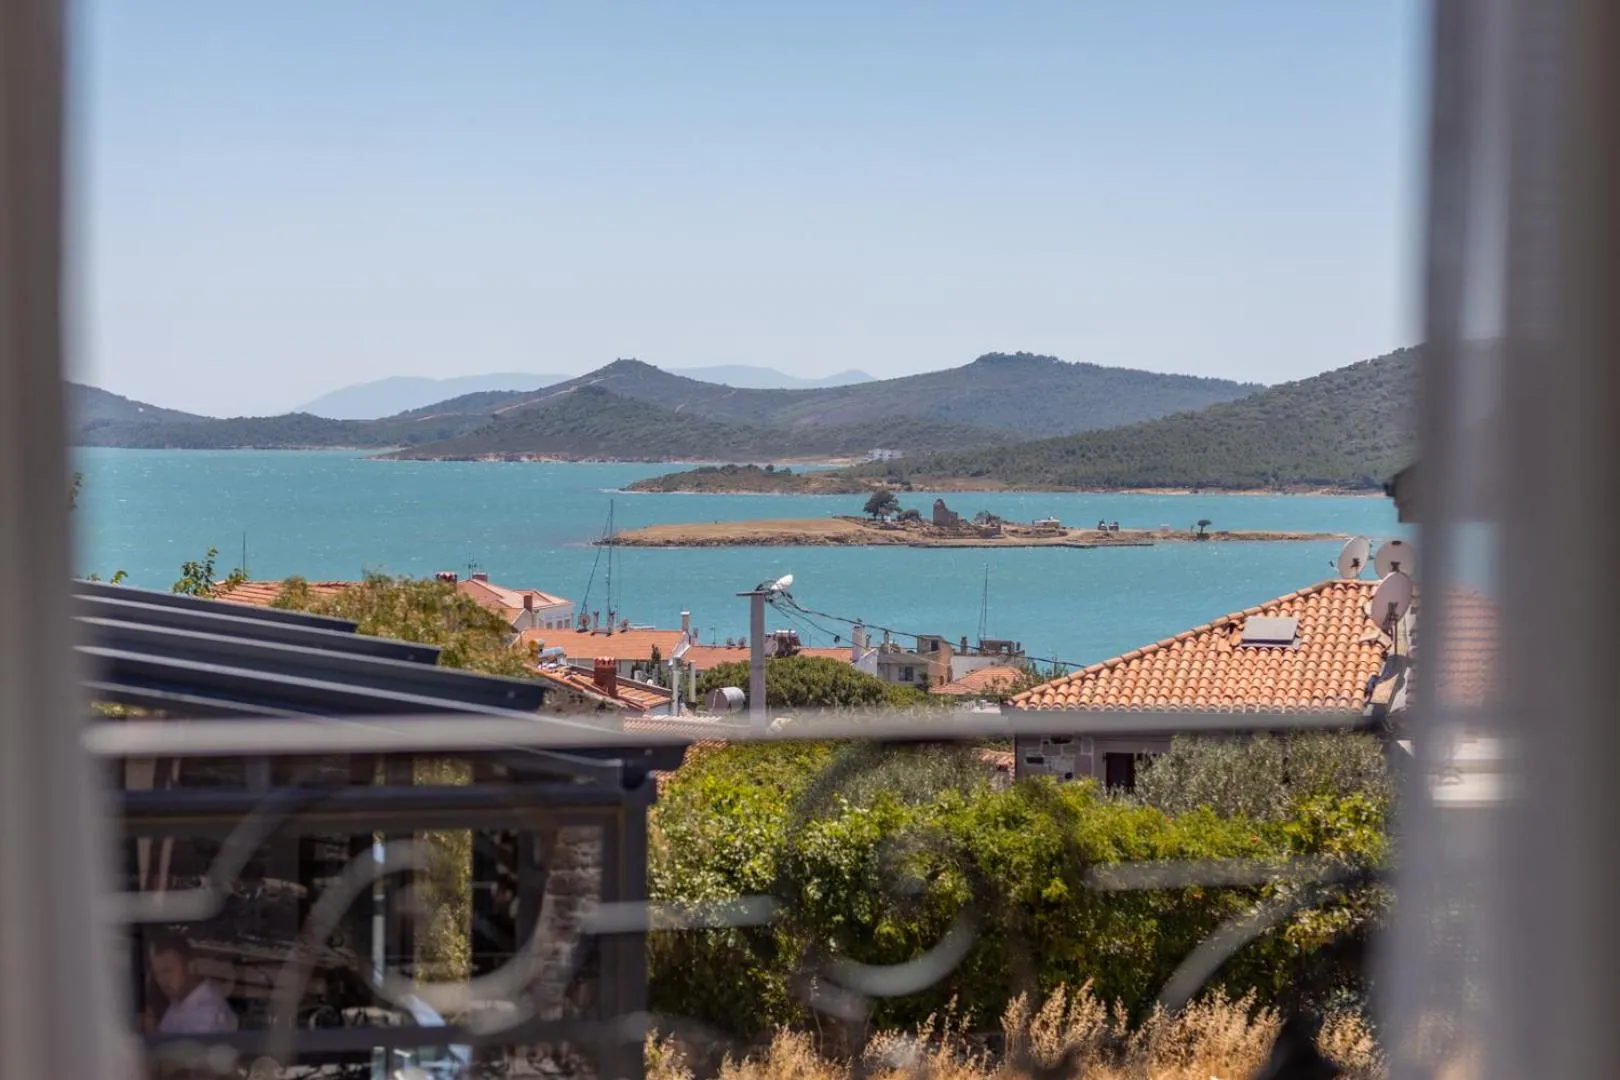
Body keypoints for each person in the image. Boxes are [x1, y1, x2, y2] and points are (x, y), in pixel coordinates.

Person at [146, 931, 238, 1035]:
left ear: (191, 967)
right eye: (157, 973)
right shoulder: (181, 999)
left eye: (168, 971)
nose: (161, 980)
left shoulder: (209, 1017)